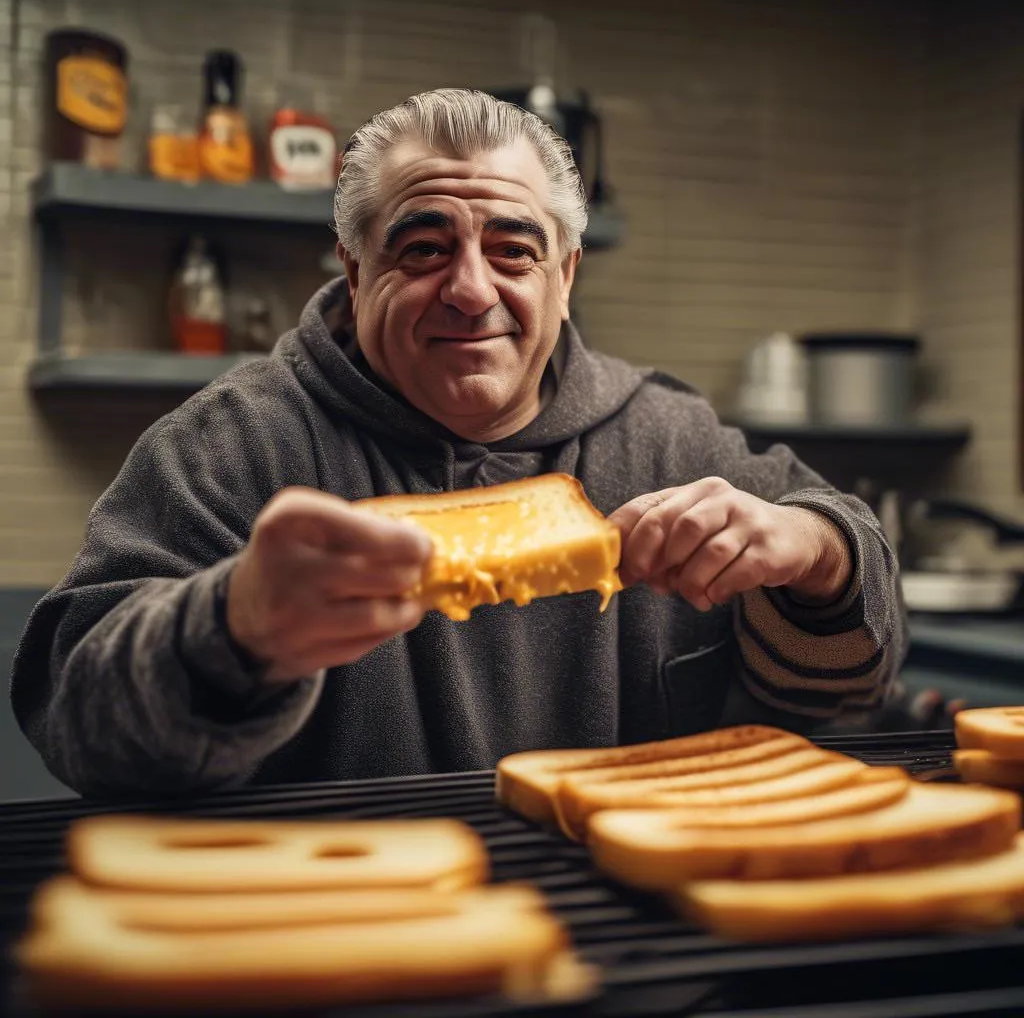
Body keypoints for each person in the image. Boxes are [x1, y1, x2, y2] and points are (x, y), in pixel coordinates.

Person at [12, 89, 906, 798]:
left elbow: (852, 691)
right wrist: (228, 630)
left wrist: (820, 551)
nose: (471, 290)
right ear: (355, 270)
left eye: (513, 249)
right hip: (338, 949)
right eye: (425, 247)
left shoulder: (673, 436)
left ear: (564, 276)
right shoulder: (232, 447)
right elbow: (72, 723)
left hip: (631, 952)